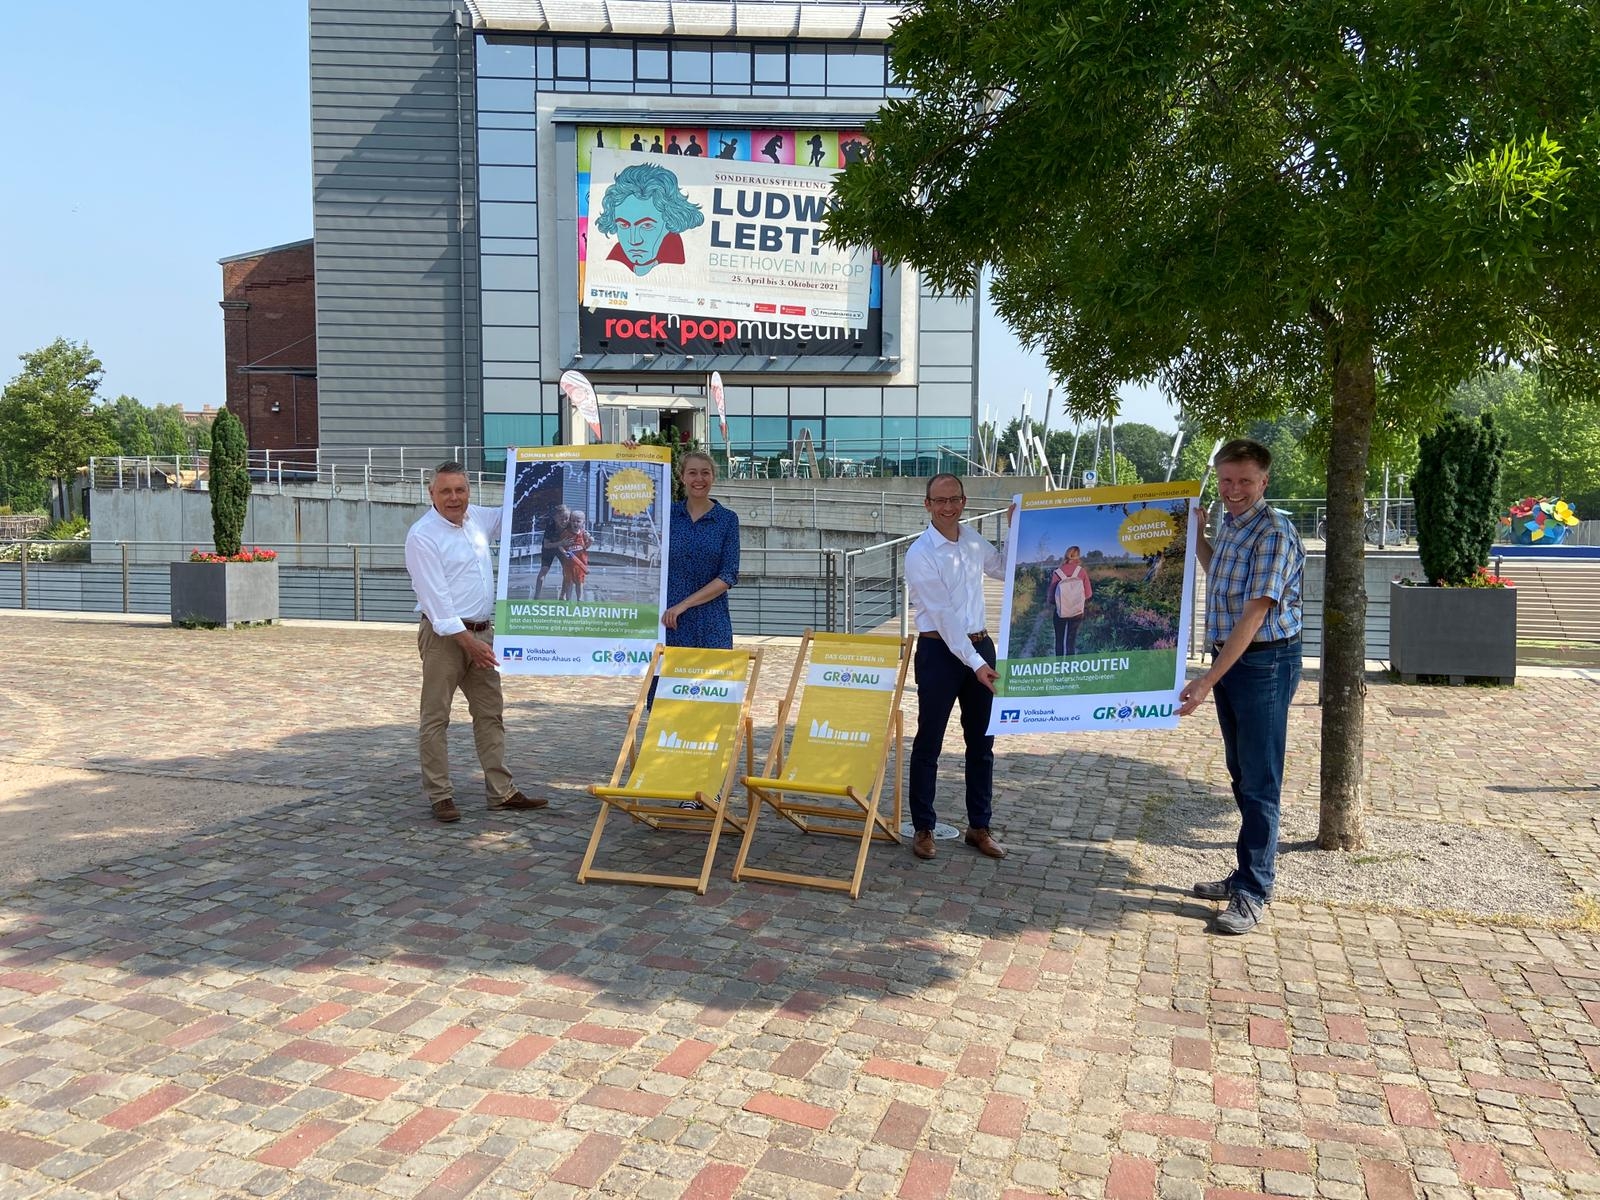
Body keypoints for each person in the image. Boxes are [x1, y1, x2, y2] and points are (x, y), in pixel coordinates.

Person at [1176, 439, 1304, 935]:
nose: (1233, 490)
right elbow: (1219, 574)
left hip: (1263, 663)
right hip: (1233, 662)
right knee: (1241, 771)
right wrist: (1199, 535)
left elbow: (1254, 614)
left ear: (1264, 482)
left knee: (1261, 780)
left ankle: (1254, 890)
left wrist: (1208, 679)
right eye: (1226, 480)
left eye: (1244, 481)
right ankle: (1245, 874)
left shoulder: (1273, 532)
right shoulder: (1232, 523)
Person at [404, 463, 546, 823]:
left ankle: (501, 792)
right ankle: (440, 795)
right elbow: (436, 602)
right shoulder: (422, 536)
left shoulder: (477, 519)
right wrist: (469, 643)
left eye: (460, 490)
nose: (454, 498)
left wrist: (529, 463)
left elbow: (524, 505)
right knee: (435, 717)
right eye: (446, 491)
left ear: (470, 491)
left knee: (490, 714)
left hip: (482, 634)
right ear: (431, 494)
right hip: (445, 639)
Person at [904, 473, 1009, 862]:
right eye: (940, 500)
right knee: (929, 741)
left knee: (982, 744)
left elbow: (1002, 568)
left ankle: (979, 827)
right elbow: (944, 618)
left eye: (954, 499)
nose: (948, 507)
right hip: (940, 653)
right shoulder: (920, 553)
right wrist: (978, 663)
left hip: (981, 646)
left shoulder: (972, 540)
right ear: (927, 505)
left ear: (964, 502)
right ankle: (923, 828)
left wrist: (1020, 530)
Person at [663, 451, 740, 649]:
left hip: (711, 623)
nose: (699, 479)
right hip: (671, 623)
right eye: (692, 473)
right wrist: (633, 452)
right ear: (682, 477)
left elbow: (727, 575)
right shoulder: (666, 515)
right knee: (669, 680)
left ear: (713, 476)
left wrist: (684, 604)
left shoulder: (727, 520)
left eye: (705, 473)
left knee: (712, 679)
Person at [595, 162, 705, 277]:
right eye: (624, 225)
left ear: (669, 221)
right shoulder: (612, 261)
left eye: (647, 226)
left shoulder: (687, 265)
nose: (634, 240)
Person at [1048, 546, 1092, 656]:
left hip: (1060, 611)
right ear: (1078, 556)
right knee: (1071, 641)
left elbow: (1051, 598)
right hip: (1077, 612)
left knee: (1059, 640)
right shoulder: (1081, 572)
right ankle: (1069, 670)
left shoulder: (1058, 572)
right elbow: (1088, 594)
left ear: (1066, 555)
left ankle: (1059, 669)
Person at [533, 505, 570, 599]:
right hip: (549, 548)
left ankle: (563, 595)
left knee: (567, 572)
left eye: (566, 518)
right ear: (555, 518)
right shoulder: (550, 526)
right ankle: (536, 597)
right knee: (544, 570)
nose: (564, 521)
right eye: (561, 519)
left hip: (562, 547)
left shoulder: (570, 525)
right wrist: (560, 543)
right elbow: (546, 545)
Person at [561, 509, 591, 601]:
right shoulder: (566, 533)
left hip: (580, 564)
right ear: (570, 521)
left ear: (583, 522)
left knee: (579, 583)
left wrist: (590, 541)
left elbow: (586, 547)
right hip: (568, 564)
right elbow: (560, 545)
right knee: (568, 582)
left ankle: (580, 599)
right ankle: (568, 599)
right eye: (573, 521)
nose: (575, 523)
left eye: (578, 521)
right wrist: (564, 552)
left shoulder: (584, 534)